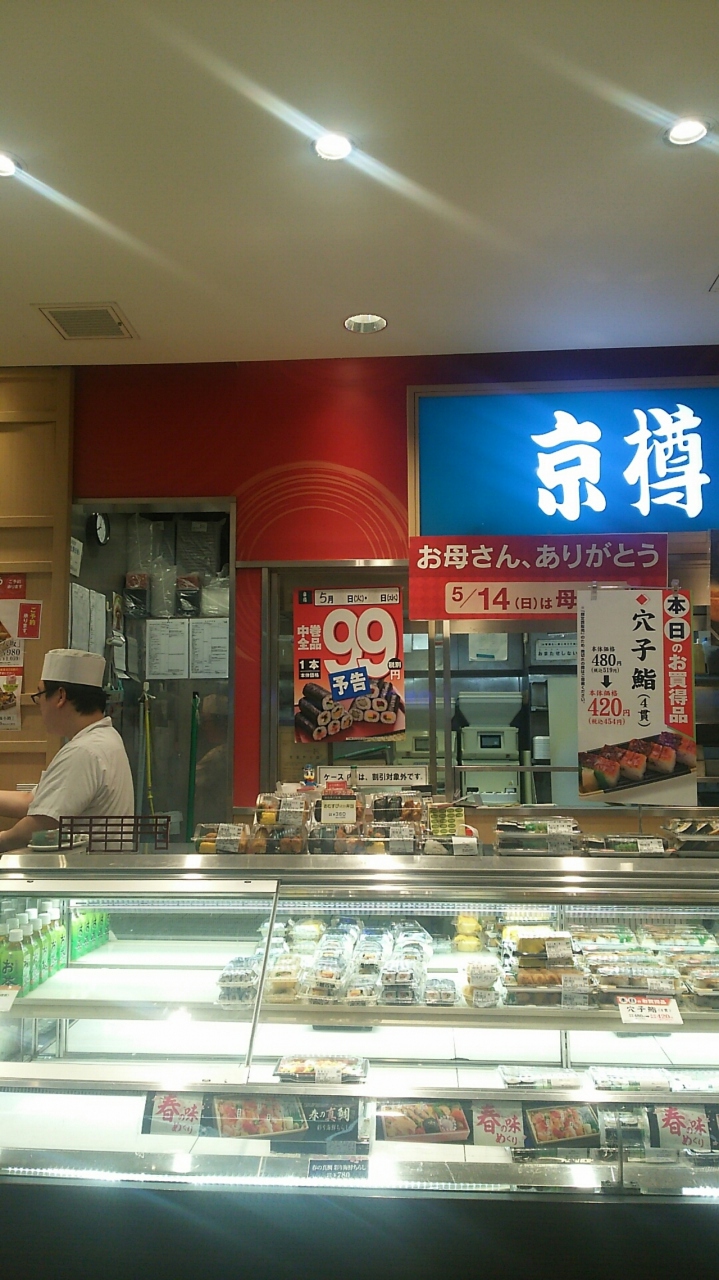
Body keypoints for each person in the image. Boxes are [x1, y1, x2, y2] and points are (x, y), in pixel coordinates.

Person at [0, 648, 134, 853]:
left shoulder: (84, 751)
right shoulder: (104, 738)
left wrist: (3, 839)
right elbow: (33, 801)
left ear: (60, 696)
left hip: (86, 869)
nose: (39, 704)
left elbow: (40, 824)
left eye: (40, 694)